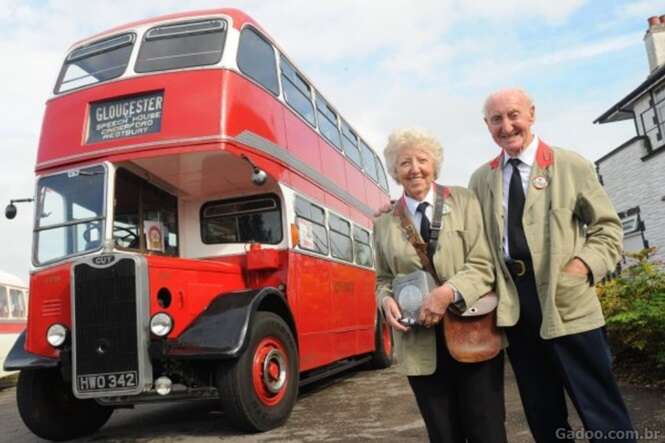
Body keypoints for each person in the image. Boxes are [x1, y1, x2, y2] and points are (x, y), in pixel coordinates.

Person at [468, 88, 635, 442]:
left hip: (567, 299)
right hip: (516, 307)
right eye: (496, 119)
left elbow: (607, 228)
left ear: (531, 114)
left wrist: (581, 267)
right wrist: (395, 212)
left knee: (600, 409)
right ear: (487, 126)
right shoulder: (481, 179)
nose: (507, 126)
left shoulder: (569, 164)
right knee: (542, 412)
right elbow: (460, 228)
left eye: (513, 115)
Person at [375, 128, 507, 443]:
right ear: (395, 171)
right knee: (442, 433)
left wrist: (446, 293)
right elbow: (382, 277)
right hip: (418, 341)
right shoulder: (383, 222)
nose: (415, 168)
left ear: (435, 165)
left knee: (486, 429)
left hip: (472, 331)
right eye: (405, 162)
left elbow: (483, 263)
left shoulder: (463, 200)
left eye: (422, 160)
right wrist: (385, 301)